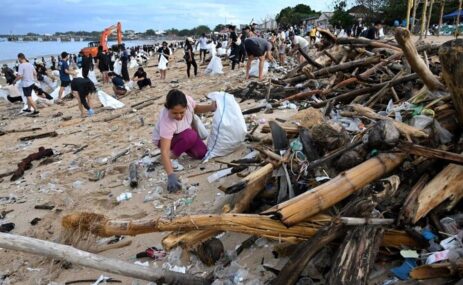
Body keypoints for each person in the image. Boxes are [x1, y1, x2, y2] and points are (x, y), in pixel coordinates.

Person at [152, 89, 216, 192]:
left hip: (183, 134)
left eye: (182, 112)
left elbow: (197, 108)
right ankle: (172, 155)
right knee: (190, 135)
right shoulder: (166, 121)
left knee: (202, 153)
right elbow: (164, 150)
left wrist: (211, 107)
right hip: (167, 140)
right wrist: (171, 175)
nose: (178, 116)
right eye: (174, 113)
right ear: (168, 109)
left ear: (186, 107)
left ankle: (182, 146)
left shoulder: (188, 102)